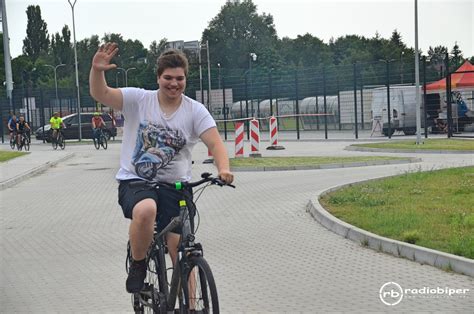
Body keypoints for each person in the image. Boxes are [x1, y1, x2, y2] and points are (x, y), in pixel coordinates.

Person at [89, 42, 234, 293]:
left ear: (185, 79)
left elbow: (215, 142)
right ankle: (138, 264)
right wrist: (97, 71)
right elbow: (101, 94)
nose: (174, 83)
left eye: (179, 78)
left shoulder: (195, 110)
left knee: (181, 249)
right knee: (146, 210)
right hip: (136, 181)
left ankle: (190, 307)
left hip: (175, 187)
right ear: (158, 77)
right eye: (168, 77)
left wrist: (224, 169)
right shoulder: (139, 100)